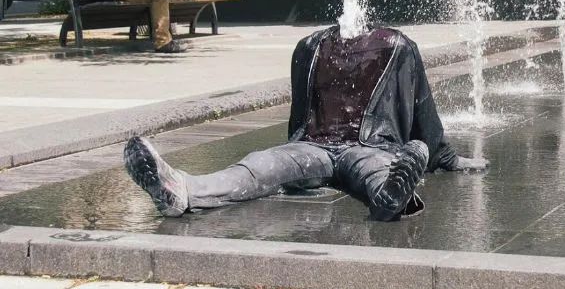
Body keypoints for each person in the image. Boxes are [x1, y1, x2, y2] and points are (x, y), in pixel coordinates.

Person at [124, 25, 488, 221]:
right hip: (313, 147)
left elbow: (422, 104)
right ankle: (182, 190)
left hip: (370, 147)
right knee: (259, 164)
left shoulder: (397, 45)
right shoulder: (310, 47)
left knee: (379, 172)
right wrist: (291, 156)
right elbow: (300, 116)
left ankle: (391, 197)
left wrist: (445, 156)